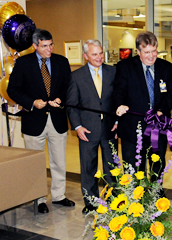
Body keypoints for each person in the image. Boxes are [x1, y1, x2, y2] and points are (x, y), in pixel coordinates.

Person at [7, 29, 75, 213]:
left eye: (51, 45)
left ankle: (59, 196)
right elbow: (12, 90)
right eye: (44, 46)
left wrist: (60, 99)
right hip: (33, 121)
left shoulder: (62, 62)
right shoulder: (23, 63)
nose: (49, 49)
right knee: (36, 163)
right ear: (35, 46)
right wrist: (31, 102)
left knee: (59, 161)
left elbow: (68, 87)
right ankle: (38, 199)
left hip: (57, 119)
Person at [115, 32, 172, 182]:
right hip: (132, 127)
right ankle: (136, 201)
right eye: (147, 52)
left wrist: (162, 110)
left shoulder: (166, 67)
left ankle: (156, 198)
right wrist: (119, 105)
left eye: (154, 51)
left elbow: (171, 93)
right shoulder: (125, 67)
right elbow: (118, 91)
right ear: (138, 51)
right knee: (134, 169)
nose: (151, 56)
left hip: (158, 126)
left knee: (158, 166)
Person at [67, 39, 117, 214]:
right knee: (88, 168)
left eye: (101, 53)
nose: (99, 57)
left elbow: (119, 100)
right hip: (87, 129)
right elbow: (72, 104)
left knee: (112, 167)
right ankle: (91, 203)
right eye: (94, 54)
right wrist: (78, 126)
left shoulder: (113, 72)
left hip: (110, 128)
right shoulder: (76, 76)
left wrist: (118, 122)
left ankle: (114, 201)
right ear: (85, 56)